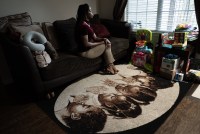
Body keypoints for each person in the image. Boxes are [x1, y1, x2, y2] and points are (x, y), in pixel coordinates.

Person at [75, 3, 118, 74]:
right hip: (84, 52)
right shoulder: (82, 26)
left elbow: (95, 37)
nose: (92, 13)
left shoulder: (87, 24)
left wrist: (104, 39)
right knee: (107, 45)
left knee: (107, 42)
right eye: (90, 11)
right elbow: (86, 44)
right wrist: (102, 42)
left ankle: (111, 67)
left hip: (89, 49)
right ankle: (111, 66)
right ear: (86, 13)